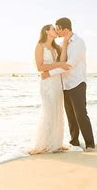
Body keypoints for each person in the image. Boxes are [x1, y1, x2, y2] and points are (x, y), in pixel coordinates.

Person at [41, 17, 95, 151]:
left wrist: (49, 73)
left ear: (65, 29)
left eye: (57, 29)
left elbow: (69, 65)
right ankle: (74, 143)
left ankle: (90, 144)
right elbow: (60, 61)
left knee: (81, 114)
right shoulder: (64, 44)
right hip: (65, 84)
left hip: (77, 82)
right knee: (70, 116)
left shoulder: (78, 42)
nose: (56, 31)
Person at [28, 24, 71, 154]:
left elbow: (65, 62)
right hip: (47, 83)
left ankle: (56, 143)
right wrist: (59, 64)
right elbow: (40, 67)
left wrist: (64, 43)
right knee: (49, 111)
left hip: (57, 81)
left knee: (58, 111)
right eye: (53, 29)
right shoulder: (40, 46)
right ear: (47, 31)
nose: (55, 30)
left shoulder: (56, 47)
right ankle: (44, 144)